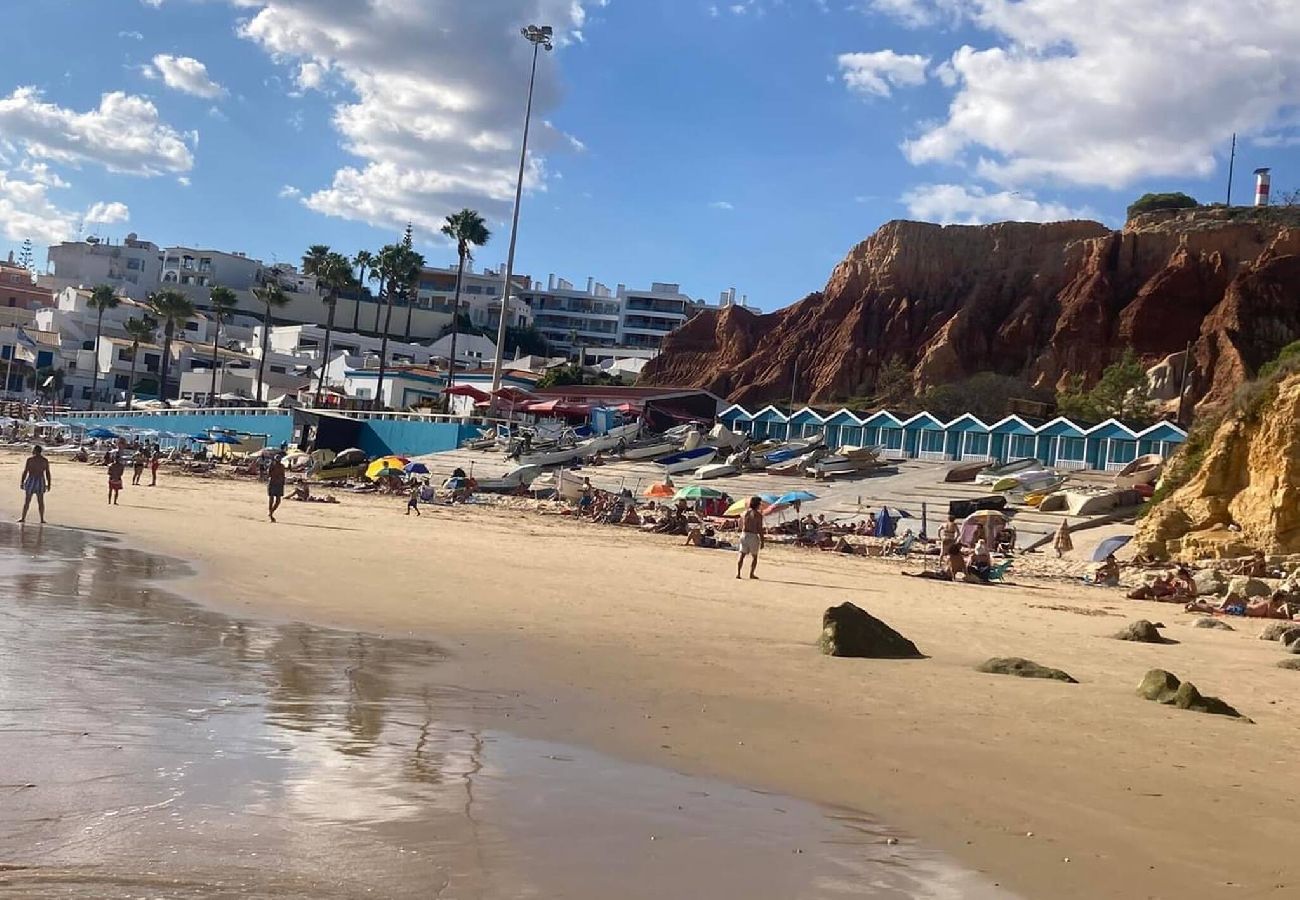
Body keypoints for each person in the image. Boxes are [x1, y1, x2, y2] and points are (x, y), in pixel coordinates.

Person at [18, 445, 51, 524]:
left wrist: (22, 482)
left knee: (27, 501)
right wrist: (49, 484)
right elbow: (47, 473)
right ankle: (42, 519)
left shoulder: (30, 460)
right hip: (40, 480)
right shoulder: (44, 460)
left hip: (31, 480)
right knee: (40, 501)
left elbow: (25, 471)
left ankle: (23, 518)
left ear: (35, 451)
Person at [736, 495, 764, 580]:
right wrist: (762, 540)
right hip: (753, 535)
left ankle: (738, 573)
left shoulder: (745, 513)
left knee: (742, 555)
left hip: (744, 534)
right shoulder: (758, 515)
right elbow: (759, 528)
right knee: (754, 556)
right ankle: (751, 574)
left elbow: (740, 524)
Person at [267, 452, 286, 523]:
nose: (278, 461)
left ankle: (271, 512)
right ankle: (271, 514)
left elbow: (283, 475)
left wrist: (283, 482)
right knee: (271, 499)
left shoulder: (282, 466)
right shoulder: (272, 465)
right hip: (272, 483)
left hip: (279, 484)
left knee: (278, 501)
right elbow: (269, 474)